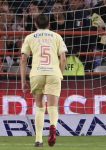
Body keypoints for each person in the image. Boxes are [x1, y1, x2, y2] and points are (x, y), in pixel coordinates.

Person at [20, 14, 67, 147]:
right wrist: (60, 74)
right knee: (53, 106)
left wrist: (23, 80)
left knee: (39, 105)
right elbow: (63, 59)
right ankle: (53, 126)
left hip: (37, 73)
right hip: (53, 73)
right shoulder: (57, 36)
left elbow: (23, 59)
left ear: (35, 24)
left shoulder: (29, 37)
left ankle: (38, 140)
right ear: (49, 25)